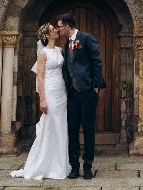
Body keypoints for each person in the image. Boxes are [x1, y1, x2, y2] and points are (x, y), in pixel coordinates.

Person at [10, 23, 70, 180]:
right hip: (49, 90)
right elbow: (40, 77)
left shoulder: (60, 50)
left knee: (61, 125)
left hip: (61, 90)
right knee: (50, 125)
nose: (56, 31)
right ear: (46, 35)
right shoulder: (43, 54)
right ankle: (44, 165)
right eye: (52, 30)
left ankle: (60, 165)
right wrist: (42, 99)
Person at [56, 13, 105, 180]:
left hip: (88, 93)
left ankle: (88, 166)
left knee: (89, 130)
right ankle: (74, 167)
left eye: (60, 26)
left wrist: (96, 85)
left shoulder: (86, 39)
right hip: (72, 94)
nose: (59, 29)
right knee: (72, 130)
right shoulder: (65, 43)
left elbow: (96, 61)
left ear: (67, 26)